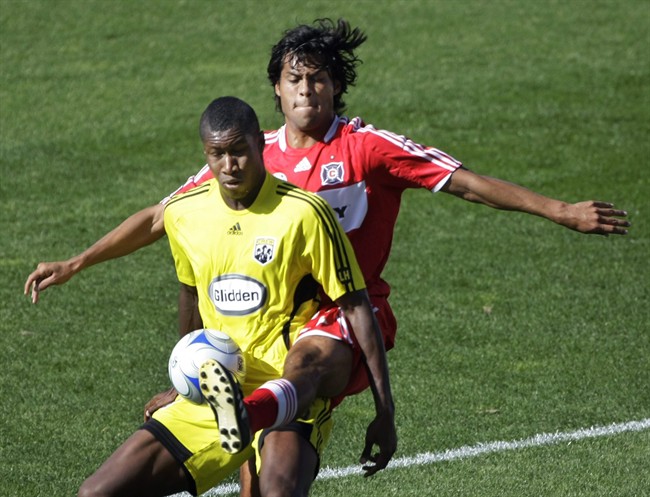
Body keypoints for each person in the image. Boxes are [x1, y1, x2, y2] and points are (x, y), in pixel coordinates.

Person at [25, 17, 630, 497]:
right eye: (295, 80)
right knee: (256, 482)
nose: (306, 90)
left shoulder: (366, 148)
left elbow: (463, 181)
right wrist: (78, 263)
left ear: (336, 86)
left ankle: (244, 407)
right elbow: (163, 217)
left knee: (306, 364)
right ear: (276, 90)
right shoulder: (249, 155)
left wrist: (559, 209)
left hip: (340, 315)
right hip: (257, 330)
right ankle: (231, 408)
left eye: (318, 79)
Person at [77, 96, 395, 497]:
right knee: (96, 493)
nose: (229, 166)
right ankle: (235, 413)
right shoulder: (184, 214)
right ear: (205, 153)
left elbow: (355, 306)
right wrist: (181, 378)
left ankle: (248, 415)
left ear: (260, 144)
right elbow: (190, 295)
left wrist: (385, 410)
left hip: (287, 388)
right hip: (216, 386)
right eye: (217, 154)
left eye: (239, 151)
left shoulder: (305, 213)